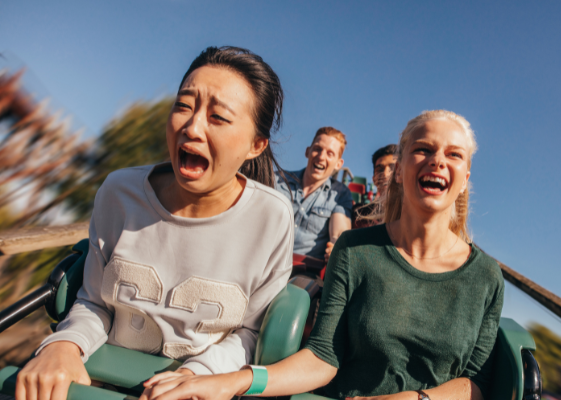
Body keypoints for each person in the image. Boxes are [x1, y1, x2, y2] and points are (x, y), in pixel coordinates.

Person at [141, 110, 505, 400]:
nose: (437, 161)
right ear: (400, 170)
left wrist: (416, 399)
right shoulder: (357, 251)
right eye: (423, 149)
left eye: (453, 155)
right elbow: (324, 356)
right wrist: (231, 382)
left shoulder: (486, 276)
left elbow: (475, 383)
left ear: (465, 176)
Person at [15, 46, 295, 400]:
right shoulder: (119, 193)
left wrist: (199, 375)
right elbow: (94, 301)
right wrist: (65, 346)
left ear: (256, 145)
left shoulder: (272, 218)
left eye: (218, 117)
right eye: (183, 106)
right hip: (100, 380)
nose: (191, 127)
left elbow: (252, 333)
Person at [275, 127, 353, 262]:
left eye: (330, 153)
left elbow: (339, 233)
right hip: (263, 261)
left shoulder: (340, 194)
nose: (321, 157)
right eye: (317, 149)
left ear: (338, 164)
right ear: (307, 151)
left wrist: (336, 246)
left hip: (303, 272)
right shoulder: (277, 180)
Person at [353, 144, 398, 228]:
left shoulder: (415, 215)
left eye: (392, 168)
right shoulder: (358, 214)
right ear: (374, 179)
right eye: (380, 169)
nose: (385, 174)